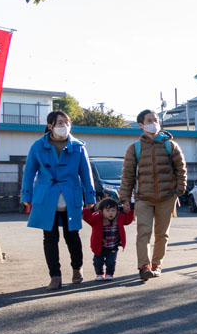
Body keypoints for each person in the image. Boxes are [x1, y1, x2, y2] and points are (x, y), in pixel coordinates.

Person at [21, 110, 96, 291]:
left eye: (66, 122)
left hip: (71, 195)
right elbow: (29, 173)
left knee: (72, 236)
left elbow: (86, 174)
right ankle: (55, 276)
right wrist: (26, 196)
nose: (64, 126)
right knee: (50, 237)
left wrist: (90, 197)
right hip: (47, 196)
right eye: (59, 123)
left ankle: (77, 269)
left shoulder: (78, 147)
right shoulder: (38, 146)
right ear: (50, 126)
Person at [118, 109, 187, 281]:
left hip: (167, 197)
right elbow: (127, 175)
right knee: (143, 233)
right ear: (140, 125)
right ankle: (144, 267)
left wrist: (180, 190)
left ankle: (156, 264)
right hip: (143, 198)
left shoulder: (171, 145)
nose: (154, 123)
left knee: (162, 234)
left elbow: (181, 169)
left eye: (155, 119)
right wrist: (125, 198)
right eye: (149, 120)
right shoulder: (135, 148)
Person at [82, 197, 135, 280]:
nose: (111, 213)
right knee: (97, 262)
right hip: (99, 246)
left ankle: (109, 274)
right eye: (107, 211)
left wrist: (129, 211)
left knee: (111, 262)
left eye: (113, 210)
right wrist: (87, 209)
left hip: (113, 246)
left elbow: (127, 221)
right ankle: (99, 274)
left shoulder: (119, 218)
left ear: (117, 211)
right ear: (101, 211)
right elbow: (88, 219)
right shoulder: (97, 219)